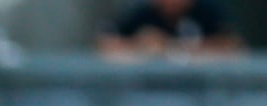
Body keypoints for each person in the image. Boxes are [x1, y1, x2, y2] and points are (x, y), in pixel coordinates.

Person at [99, 0, 245, 58]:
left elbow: (235, 45)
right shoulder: (143, 14)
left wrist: (172, 46)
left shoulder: (208, 11)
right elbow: (106, 42)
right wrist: (139, 44)